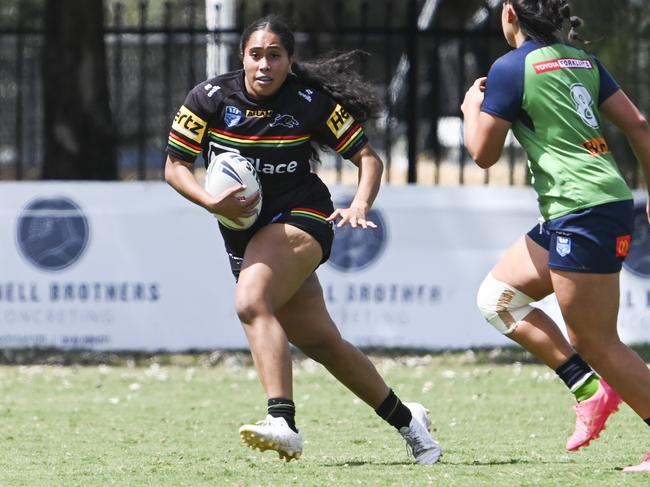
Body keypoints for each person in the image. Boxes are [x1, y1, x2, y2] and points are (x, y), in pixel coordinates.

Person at [163, 15, 441, 465]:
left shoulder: (309, 102)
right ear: (242, 57)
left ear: (289, 61)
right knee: (321, 343)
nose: (264, 65)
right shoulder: (210, 98)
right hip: (242, 229)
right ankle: (410, 421)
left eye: (275, 56)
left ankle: (283, 423)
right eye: (256, 55)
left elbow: (368, 158)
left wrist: (360, 205)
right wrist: (211, 202)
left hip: (302, 216)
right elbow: (175, 166)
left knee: (251, 302)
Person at [461, 0, 650, 472]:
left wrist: (470, 108)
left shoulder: (510, 67)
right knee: (497, 298)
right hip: (588, 206)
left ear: (510, 14)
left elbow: (482, 154)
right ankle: (589, 390)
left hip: (581, 210)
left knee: (597, 341)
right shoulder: (584, 60)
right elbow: (639, 126)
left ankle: (601, 386)